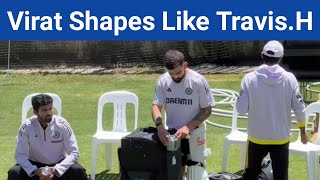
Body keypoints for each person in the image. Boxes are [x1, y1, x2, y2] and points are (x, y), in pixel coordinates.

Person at [236, 40, 309, 180]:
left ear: (262, 55)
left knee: (251, 175)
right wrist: (302, 131)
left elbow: (241, 109)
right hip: (280, 137)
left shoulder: (249, 78)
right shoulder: (290, 79)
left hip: (256, 137)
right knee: (281, 176)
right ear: (280, 58)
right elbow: (299, 107)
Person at [151, 49, 215, 179]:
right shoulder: (162, 81)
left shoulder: (197, 80)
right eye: (171, 74)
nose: (175, 77)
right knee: (175, 173)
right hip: (173, 135)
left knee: (196, 173)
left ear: (185, 65)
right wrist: (160, 127)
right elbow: (156, 106)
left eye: (178, 72)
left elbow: (207, 110)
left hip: (196, 133)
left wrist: (188, 127)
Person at [8, 94, 88, 180]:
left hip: (58, 165)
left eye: (50, 109)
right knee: (14, 172)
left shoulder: (62, 124)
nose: (49, 113)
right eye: (44, 110)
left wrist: (57, 169)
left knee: (78, 171)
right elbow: (19, 155)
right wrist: (35, 170)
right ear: (35, 112)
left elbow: (74, 153)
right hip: (35, 166)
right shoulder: (27, 127)